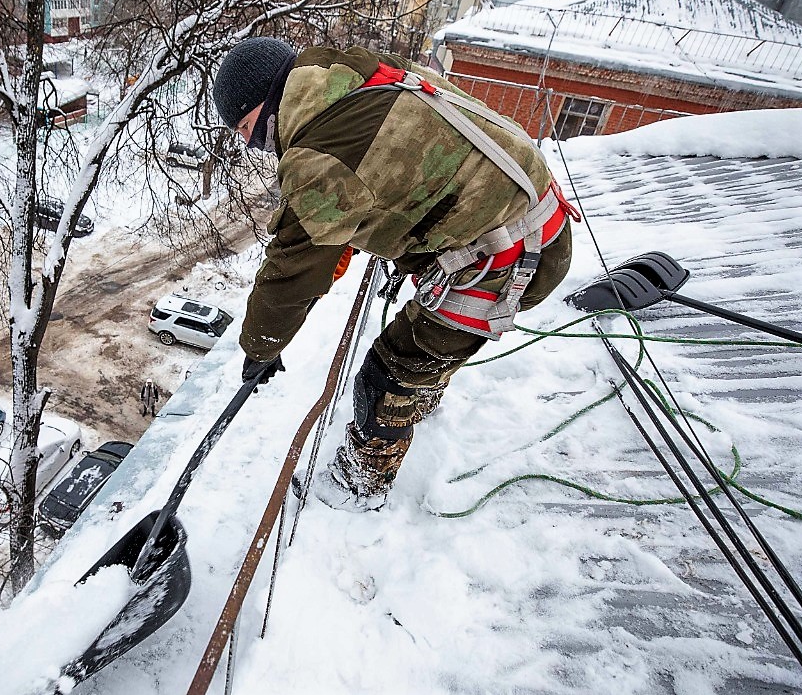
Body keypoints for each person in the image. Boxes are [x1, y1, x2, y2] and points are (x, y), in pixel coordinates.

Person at [212, 38, 576, 512]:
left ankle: (358, 486)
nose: (248, 142)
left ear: (268, 101)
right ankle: (420, 396)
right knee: (420, 353)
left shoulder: (318, 158)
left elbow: (291, 272)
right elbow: (377, 184)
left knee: (388, 374)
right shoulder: (348, 70)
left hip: (509, 256)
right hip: (533, 212)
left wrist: (260, 348)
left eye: (246, 127)